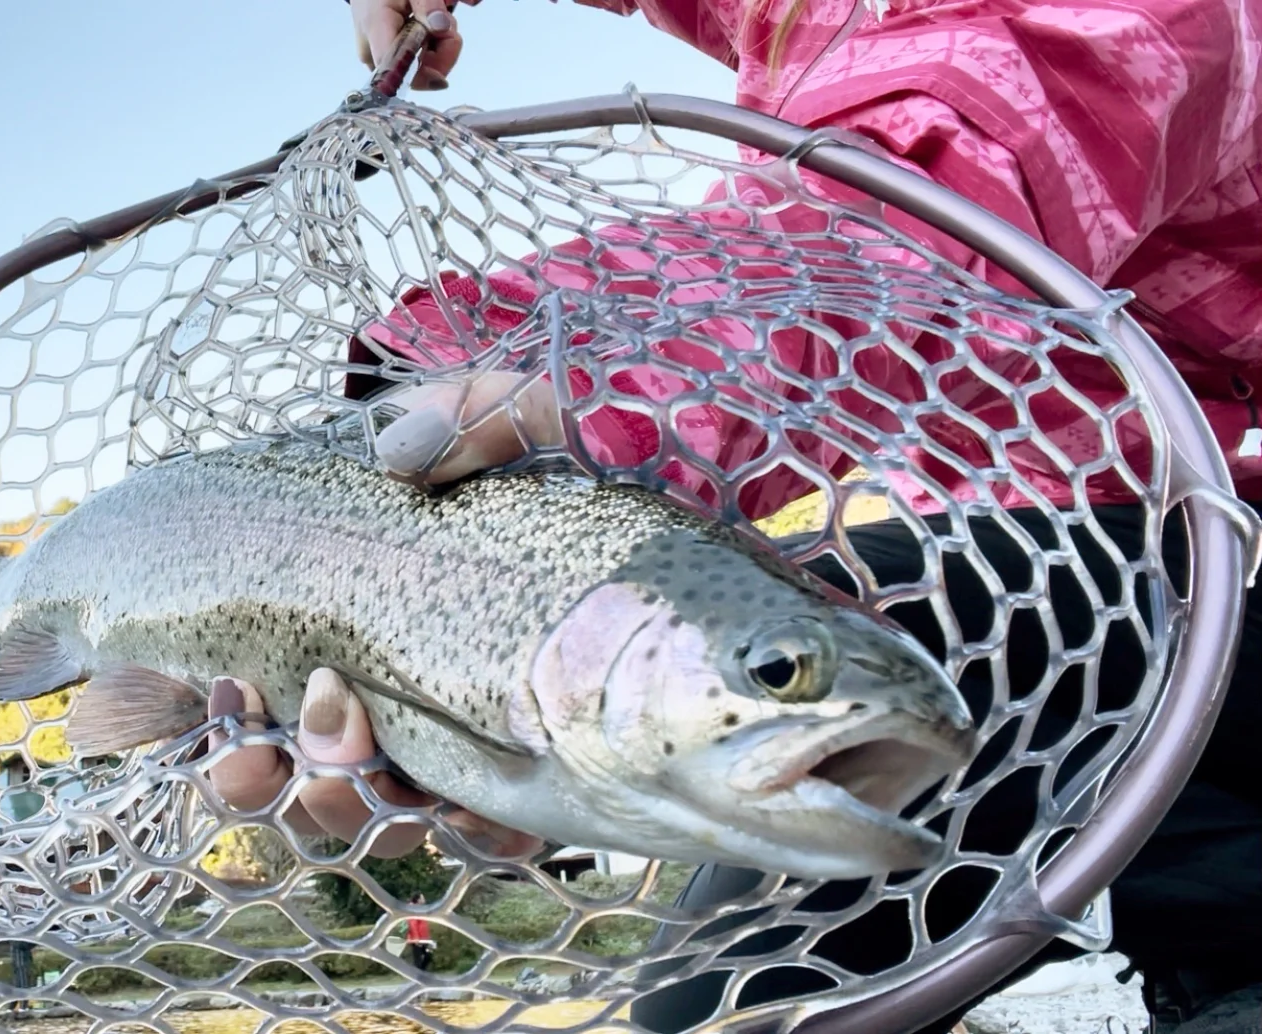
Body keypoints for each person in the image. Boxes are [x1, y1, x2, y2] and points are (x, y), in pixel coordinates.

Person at [204, 0, 1260, 1031]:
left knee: (738, 973)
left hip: (1207, 586)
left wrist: (553, 384)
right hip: (1080, 618)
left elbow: (880, 224)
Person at [402, 893, 436, 971]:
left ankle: (421, 973)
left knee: (428, 955)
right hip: (417, 940)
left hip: (424, 939)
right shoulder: (413, 910)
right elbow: (413, 924)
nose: (424, 900)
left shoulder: (420, 909)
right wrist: (416, 938)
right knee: (418, 960)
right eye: (423, 898)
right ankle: (419, 975)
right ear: (418, 900)